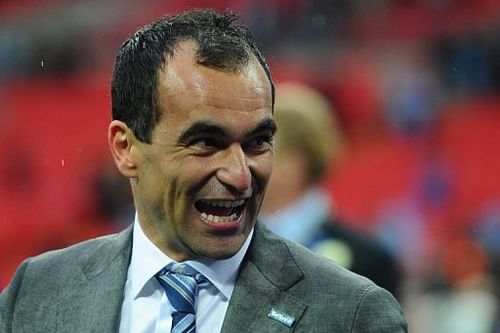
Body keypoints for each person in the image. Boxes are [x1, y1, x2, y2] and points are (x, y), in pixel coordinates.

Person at [0, 9, 407, 332]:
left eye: (257, 142)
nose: (240, 175)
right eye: (206, 143)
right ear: (125, 149)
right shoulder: (38, 292)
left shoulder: (352, 316)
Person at [260, 82, 402, 297]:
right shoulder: (225, 248)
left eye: (258, 147)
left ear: (294, 164)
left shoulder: (368, 261)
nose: (242, 161)